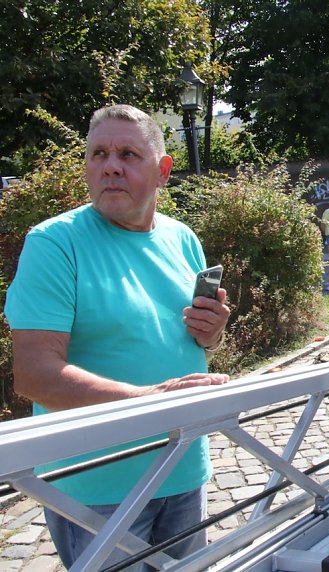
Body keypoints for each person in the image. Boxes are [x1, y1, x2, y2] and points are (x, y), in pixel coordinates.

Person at [3, 104, 231, 569]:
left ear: (163, 171)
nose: (110, 165)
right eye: (98, 154)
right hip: (96, 487)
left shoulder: (182, 237)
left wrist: (212, 335)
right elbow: (34, 374)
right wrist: (146, 400)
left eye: (128, 154)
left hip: (184, 466)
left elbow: (191, 343)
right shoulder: (54, 243)